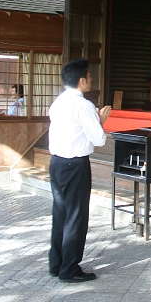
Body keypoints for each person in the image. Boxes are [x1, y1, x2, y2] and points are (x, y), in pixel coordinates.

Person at [47, 58, 111, 282]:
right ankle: (70, 269)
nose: (92, 79)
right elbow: (99, 139)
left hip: (56, 163)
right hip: (74, 165)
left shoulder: (59, 102)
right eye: (90, 76)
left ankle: (57, 263)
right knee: (76, 217)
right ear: (82, 80)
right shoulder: (83, 106)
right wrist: (100, 120)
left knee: (61, 214)